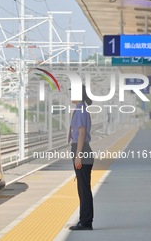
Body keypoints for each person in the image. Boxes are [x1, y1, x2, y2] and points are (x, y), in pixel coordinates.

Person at [68, 85, 94, 231]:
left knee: (84, 189)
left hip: (81, 149)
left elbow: (82, 133)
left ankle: (85, 222)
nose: (70, 95)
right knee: (83, 188)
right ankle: (85, 220)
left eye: (73, 93)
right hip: (82, 149)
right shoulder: (81, 108)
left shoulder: (80, 109)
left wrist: (78, 155)